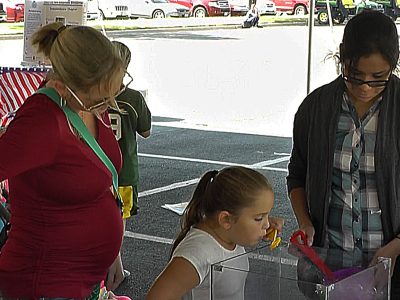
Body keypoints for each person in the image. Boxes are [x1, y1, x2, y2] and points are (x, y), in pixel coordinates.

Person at [0, 22, 126, 298]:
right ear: (63, 85)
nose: (109, 104)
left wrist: (112, 252)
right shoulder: (41, 120)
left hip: (83, 281)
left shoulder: (87, 102)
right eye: (102, 97)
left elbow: (102, 181)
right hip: (45, 282)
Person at [287, 10, 400, 298]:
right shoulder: (315, 108)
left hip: (392, 262)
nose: (364, 87)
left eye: (378, 78)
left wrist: (397, 245)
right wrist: (305, 222)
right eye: (354, 74)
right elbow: (297, 174)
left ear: (394, 64)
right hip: (329, 262)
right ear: (341, 55)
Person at [146, 166, 284, 300]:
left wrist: (262, 224)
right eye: (259, 218)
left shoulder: (229, 234)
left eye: (267, 215)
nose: (266, 224)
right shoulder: (197, 252)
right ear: (225, 219)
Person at [108, 41, 152, 284]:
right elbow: (145, 131)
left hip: (98, 171)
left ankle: (113, 265)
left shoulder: (91, 94)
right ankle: (115, 266)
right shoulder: (133, 98)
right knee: (119, 220)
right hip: (124, 172)